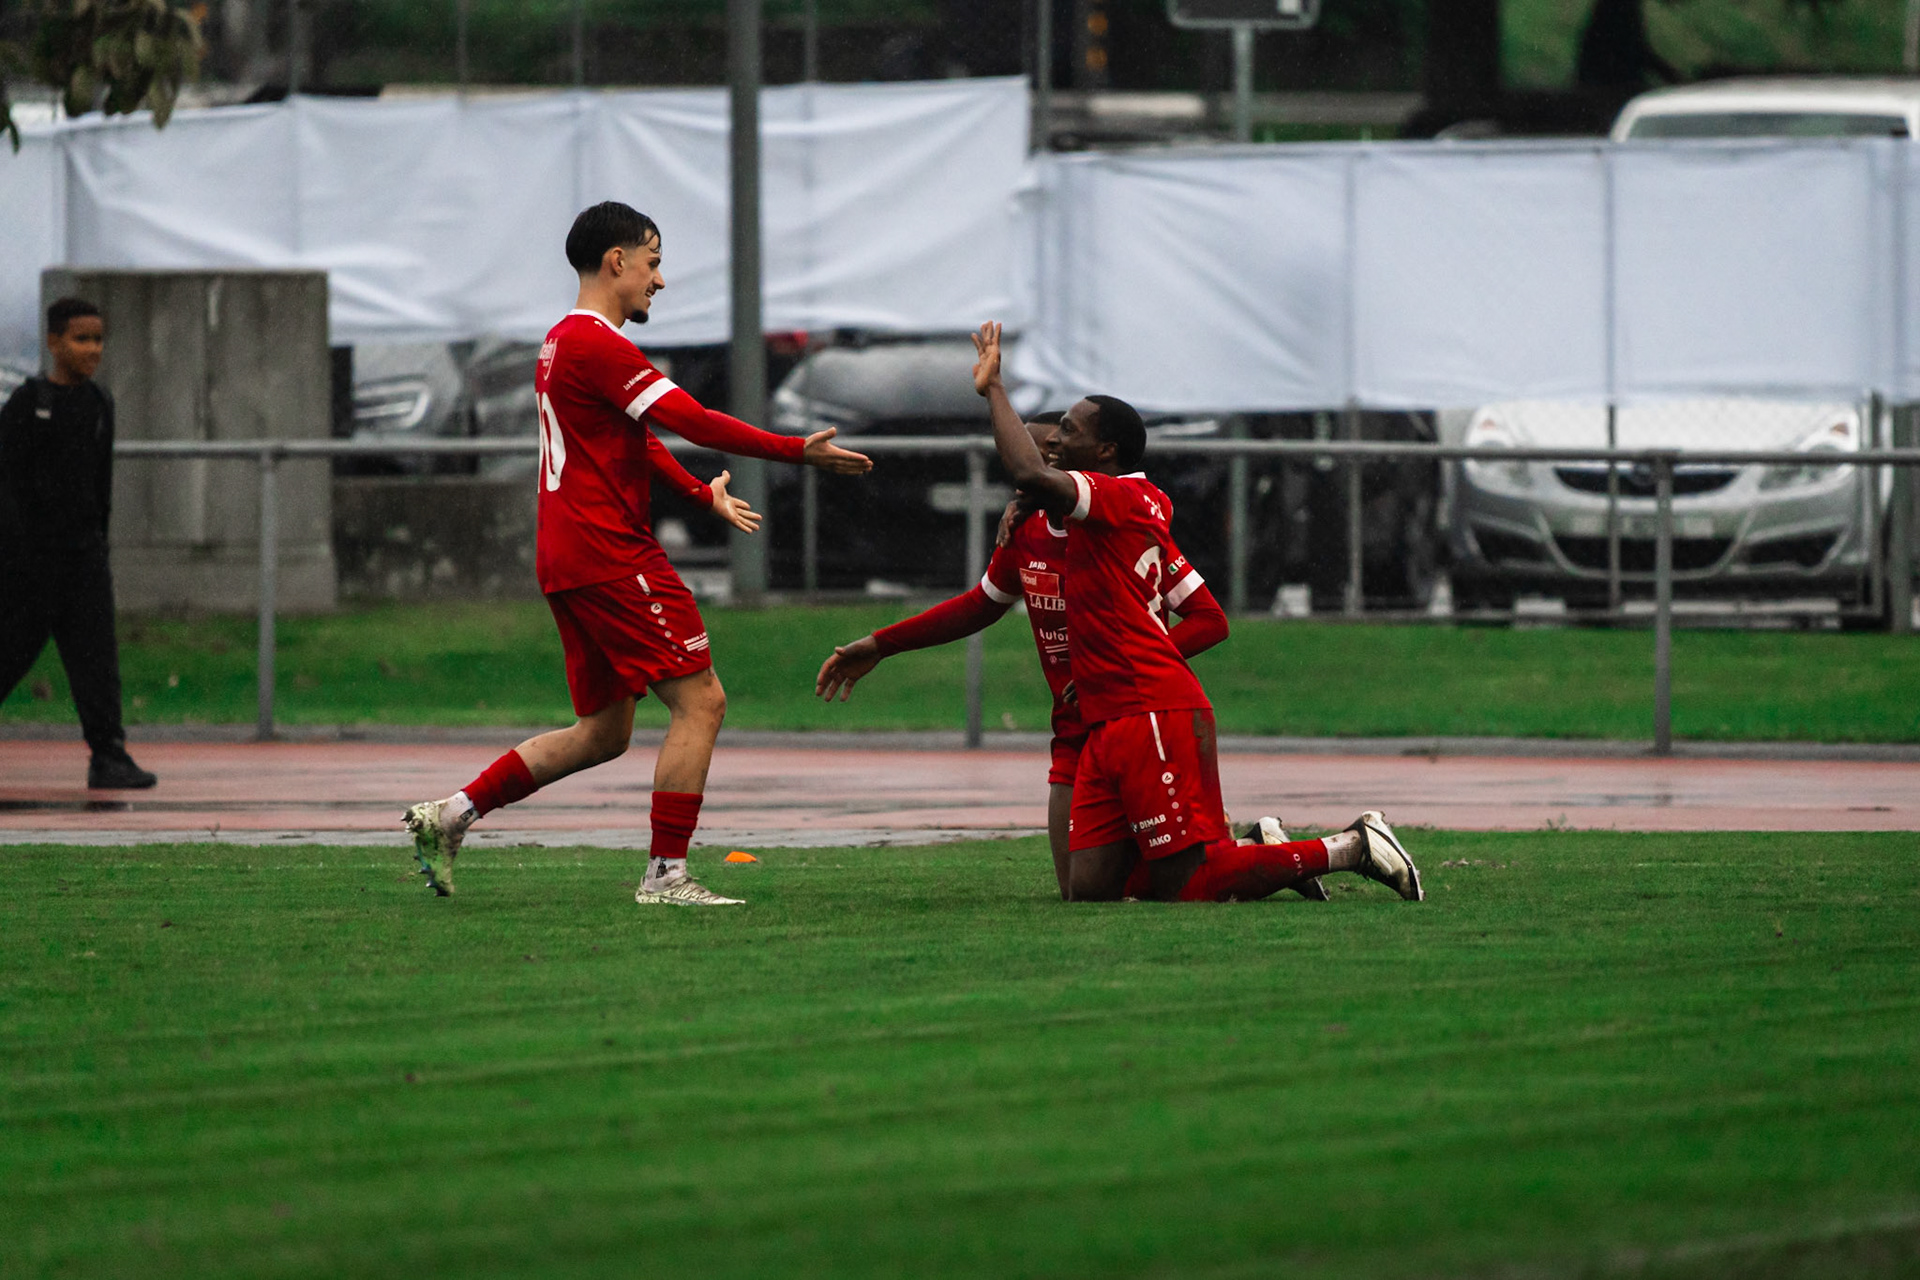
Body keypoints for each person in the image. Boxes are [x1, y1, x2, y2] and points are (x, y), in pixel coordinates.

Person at [403, 201, 872, 904]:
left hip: (569, 557)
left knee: (602, 732)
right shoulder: (598, 344)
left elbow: (635, 438)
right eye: (653, 262)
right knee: (702, 701)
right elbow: (690, 417)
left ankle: (449, 815)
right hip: (610, 552)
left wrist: (696, 494)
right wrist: (791, 451)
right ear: (617, 261)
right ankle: (665, 876)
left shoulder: (560, 342)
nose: (660, 280)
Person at [968, 321, 1424, 904]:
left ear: (1105, 450)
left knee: (1192, 884)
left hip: (1149, 707)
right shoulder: (1101, 507)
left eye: (1067, 429)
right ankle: (1259, 854)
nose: (1055, 438)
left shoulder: (1121, 497)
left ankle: (1352, 848)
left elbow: (1032, 469)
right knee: (1089, 887)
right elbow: (1038, 479)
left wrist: (996, 391)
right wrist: (1025, 499)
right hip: (1112, 714)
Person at [815, 417, 1330, 902]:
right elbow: (978, 606)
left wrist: (1121, 664)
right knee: (1082, 890)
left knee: (1177, 881)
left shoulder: (1115, 522)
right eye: (1037, 450)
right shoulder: (1028, 531)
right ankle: (1255, 853)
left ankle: (1300, 854)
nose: (1040, 460)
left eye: (1051, 449)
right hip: (1075, 728)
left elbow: (1209, 618)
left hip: (1131, 709)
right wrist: (882, 643)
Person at [0, 297, 156, 791]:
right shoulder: (29, 403)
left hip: (84, 559)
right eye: (80, 338)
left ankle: (108, 756)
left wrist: (97, 545)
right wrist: (15, 553)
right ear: (53, 342)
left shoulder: (99, 403)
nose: (92, 349)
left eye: (97, 339)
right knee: (9, 653)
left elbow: (100, 483)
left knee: (97, 661)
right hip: (31, 564)